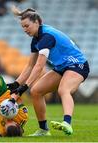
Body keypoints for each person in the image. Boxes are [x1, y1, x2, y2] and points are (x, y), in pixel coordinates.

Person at [7, 6, 90, 136]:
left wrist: (23, 88)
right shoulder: (36, 40)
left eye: (27, 26)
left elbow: (39, 67)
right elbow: (30, 66)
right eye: (23, 27)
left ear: (37, 22)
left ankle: (67, 123)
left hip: (78, 65)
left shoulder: (46, 37)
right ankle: (44, 130)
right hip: (62, 67)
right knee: (36, 91)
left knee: (64, 90)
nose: (25, 30)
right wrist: (16, 84)